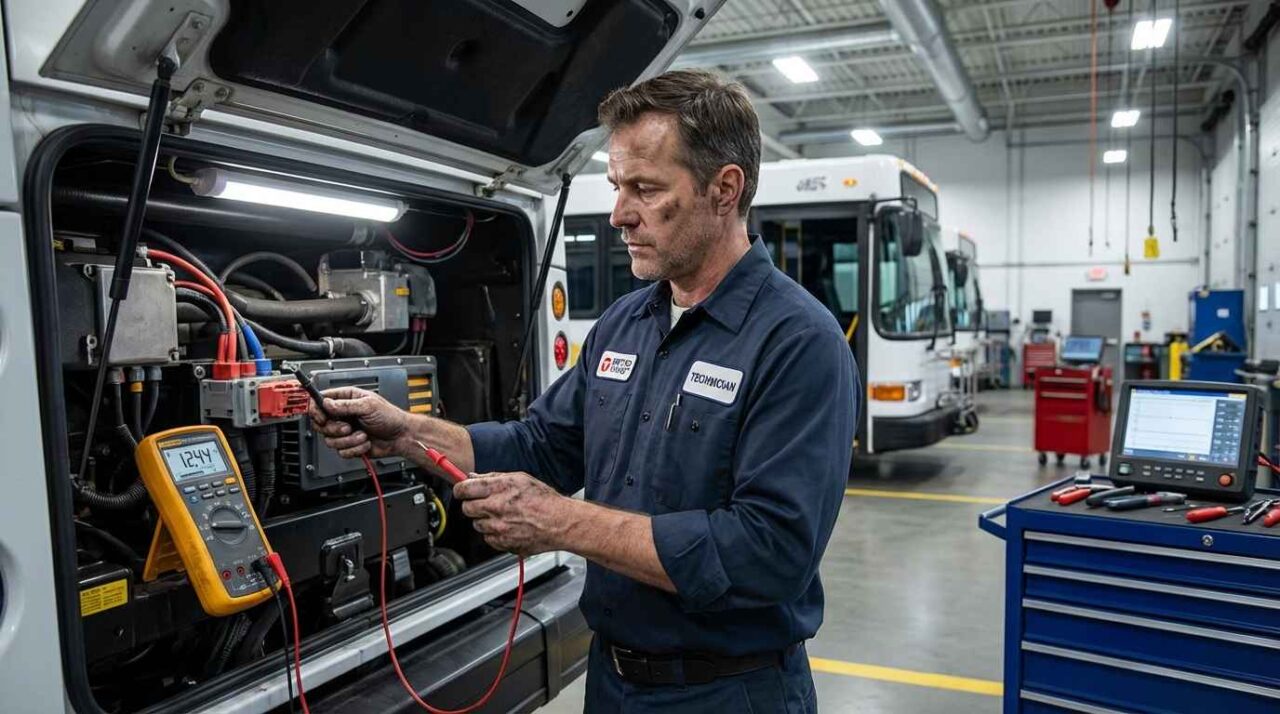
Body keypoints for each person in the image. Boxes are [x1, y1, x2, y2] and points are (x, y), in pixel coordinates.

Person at [309, 69, 859, 712]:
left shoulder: (798, 342)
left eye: (646, 189)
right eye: (618, 185)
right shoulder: (627, 322)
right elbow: (539, 446)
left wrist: (562, 521)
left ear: (724, 189)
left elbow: (768, 552)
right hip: (613, 681)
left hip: (731, 691)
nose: (620, 213)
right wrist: (406, 432)